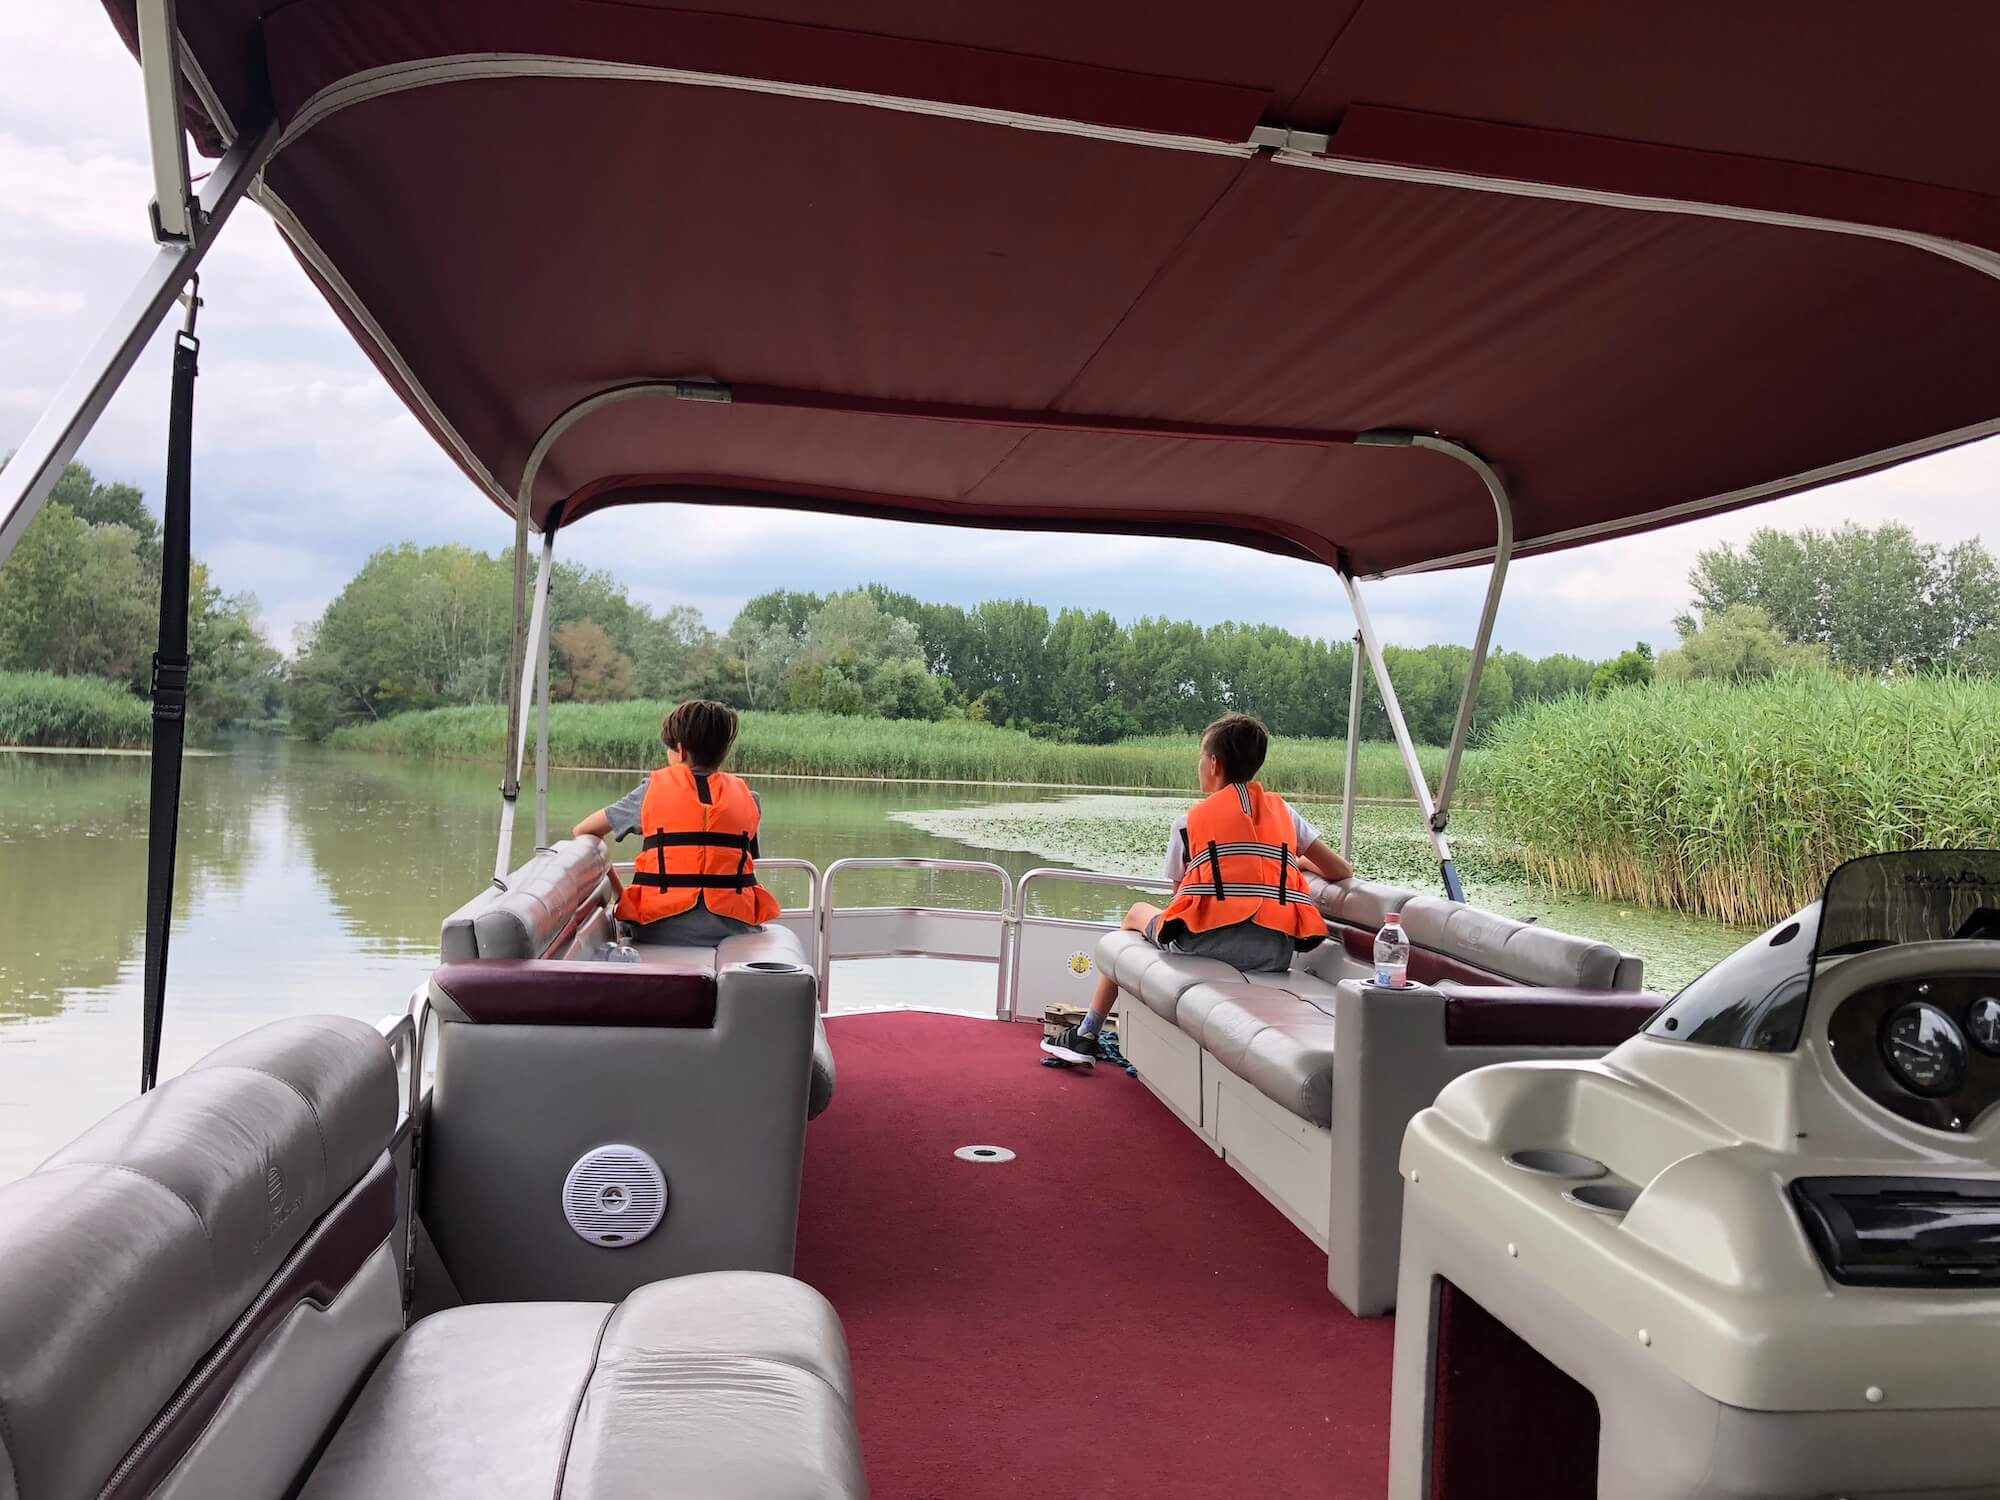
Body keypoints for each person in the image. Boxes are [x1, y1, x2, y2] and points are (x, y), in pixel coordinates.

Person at [1043, 713, 1352, 1065]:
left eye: (1201, 756)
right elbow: (1341, 870)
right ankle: (1091, 1033)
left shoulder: (1188, 822)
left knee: (1134, 914)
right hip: (1273, 952)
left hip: (1205, 946)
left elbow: (1181, 900)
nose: (1200, 764)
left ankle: (1086, 1033)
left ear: (1214, 764)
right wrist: (1300, 862)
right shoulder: (1286, 815)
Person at [572, 699, 780, 945]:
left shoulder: (651, 791)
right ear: (724, 751)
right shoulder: (748, 799)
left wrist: (621, 895)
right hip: (736, 930)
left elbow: (584, 831)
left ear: (680, 750)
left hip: (657, 929)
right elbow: (744, 863)